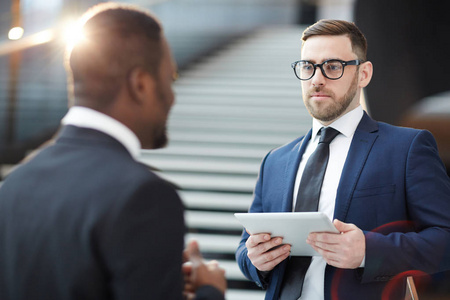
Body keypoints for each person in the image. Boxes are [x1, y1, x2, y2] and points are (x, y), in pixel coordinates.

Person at [0, 3, 226, 300]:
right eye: (169, 80)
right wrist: (210, 290)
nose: (172, 97)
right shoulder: (144, 197)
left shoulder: (14, 184)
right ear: (141, 84)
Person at [236, 19, 450, 300]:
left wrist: (368, 252)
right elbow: (244, 249)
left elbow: (445, 239)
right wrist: (255, 260)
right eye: (308, 66)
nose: (317, 79)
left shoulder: (406, 148)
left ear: (364, 74)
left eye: (333, 66)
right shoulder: (275, 161)